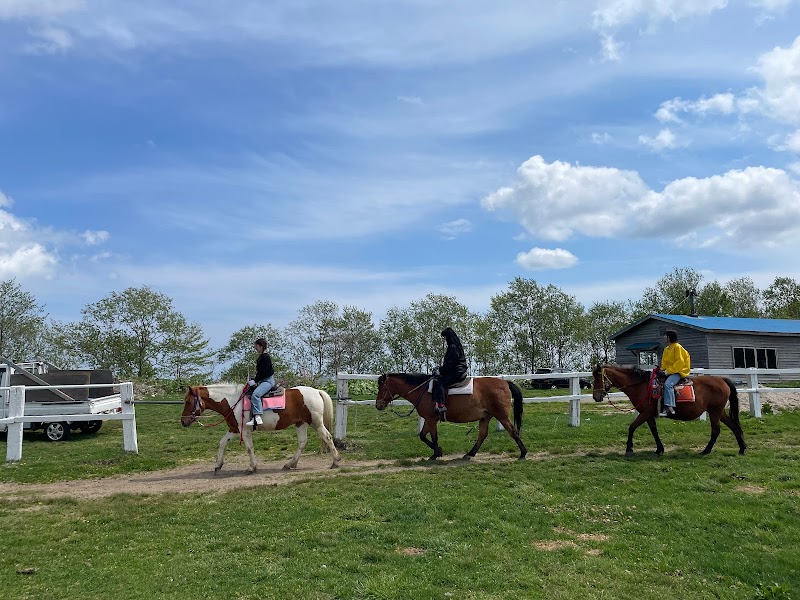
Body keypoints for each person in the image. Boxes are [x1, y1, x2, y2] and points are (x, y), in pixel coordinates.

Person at [431, 327, 468, 414]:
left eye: (444, 337)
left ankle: (441, 405)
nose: (444, 339)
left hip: (457, 371)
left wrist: (440, 371)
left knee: (439, 382)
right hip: (458, 370)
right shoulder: (456, 345)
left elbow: (450, 364)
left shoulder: (452, 347)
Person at [657, 329, 691, 417]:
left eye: (666, 335)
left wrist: (667, 372)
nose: (664, 337)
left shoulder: (677, 347)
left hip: (679, 371)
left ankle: (669, 407)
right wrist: (661, 370)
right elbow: (664, 362)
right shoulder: (666, 349)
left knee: (668, 385)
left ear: (669, 337)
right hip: (669, 371)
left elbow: (680, 362)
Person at [245, 337, 275, 427]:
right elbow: (260, 372)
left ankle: (258, 416)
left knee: (256, 395)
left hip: (268, 381)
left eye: (256, 346)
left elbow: (265, 372)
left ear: (261, 346)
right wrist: (254, 379)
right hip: (263, 380)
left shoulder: (265, 357)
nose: (255, 348)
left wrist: (255, 380)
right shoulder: (262, 357)